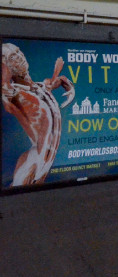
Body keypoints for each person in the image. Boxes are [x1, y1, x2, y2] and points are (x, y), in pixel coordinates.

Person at [2, 43, 75, 186]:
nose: (19, 57)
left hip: (45, 166)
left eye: (18, 52)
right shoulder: (14, 93)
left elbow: (55, 81)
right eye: (11, 57)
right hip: (32, 163)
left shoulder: (41, 87)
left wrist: (67, 84)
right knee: (17, 201)